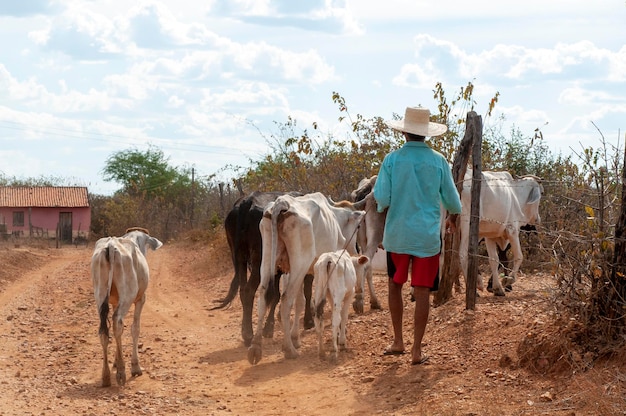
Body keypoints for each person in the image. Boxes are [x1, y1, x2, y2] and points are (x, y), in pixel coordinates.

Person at [373, 106, 462, 365]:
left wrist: (384, 208)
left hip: (398, 235)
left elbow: (382, 197)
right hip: (426, 238)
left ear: (403, 132)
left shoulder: (391, 160)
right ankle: (416, 350)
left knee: (394, 285)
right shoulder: (438, 161)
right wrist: (451, 217)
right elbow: (453, 201)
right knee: (422, 292)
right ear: (426, 135)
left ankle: (398, 341)